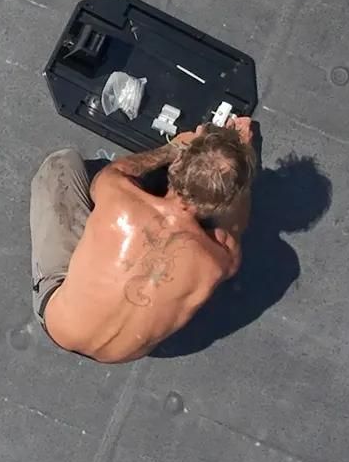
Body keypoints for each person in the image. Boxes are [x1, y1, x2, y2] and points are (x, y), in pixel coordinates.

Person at [29, 117, 256, 363]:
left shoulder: (117, 192)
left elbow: (115, 172)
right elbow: (236, 224)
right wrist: (241, 162)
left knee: (61, 163)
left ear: (177, 166)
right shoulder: (220, 259)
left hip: (58, 324)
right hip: (120, 355)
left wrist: (174, 147)